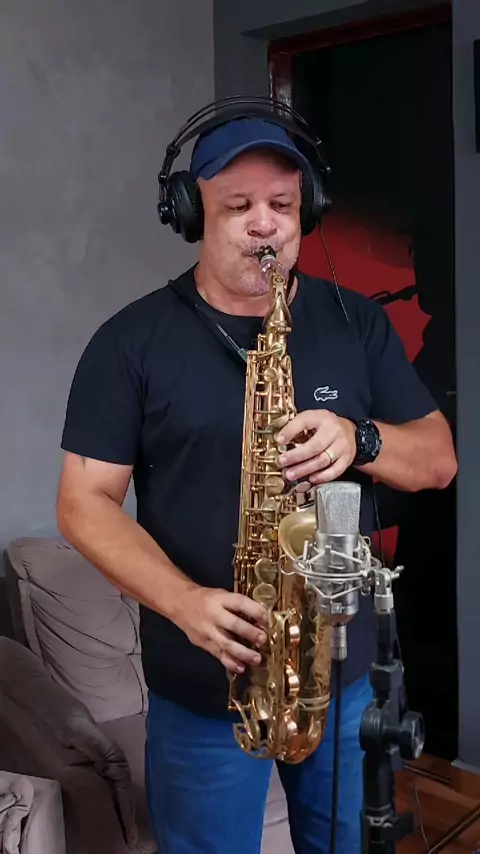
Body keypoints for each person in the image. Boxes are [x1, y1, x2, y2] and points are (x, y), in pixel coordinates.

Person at [56, 102, 457, 854]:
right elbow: (83, 504)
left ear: (309, 210)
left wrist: (361, 438)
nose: (265, 226)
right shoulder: (129, 343)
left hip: (338, 677)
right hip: (204, 683)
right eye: (238, 207)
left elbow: (438, 460)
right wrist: (184, 602)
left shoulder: (356, 322)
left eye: (283, 205)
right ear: (190, 214)